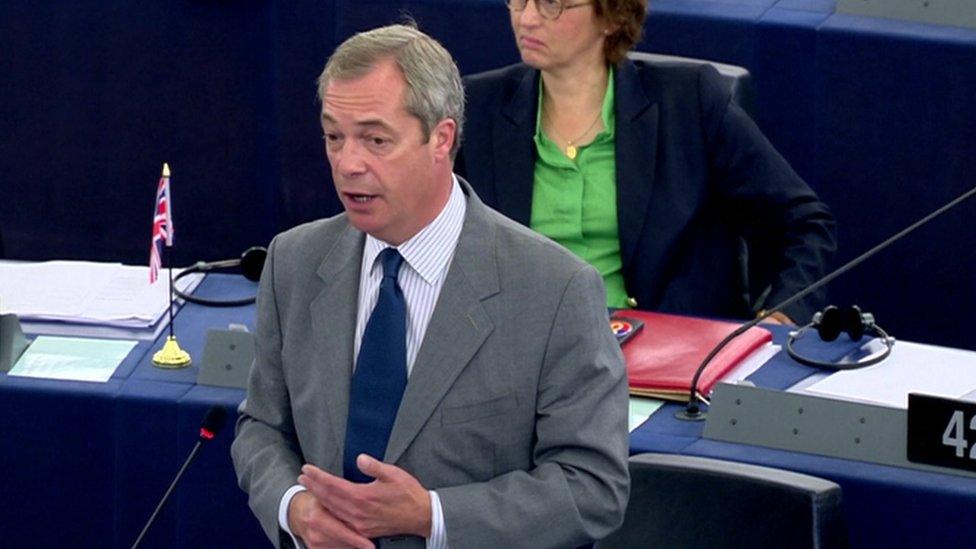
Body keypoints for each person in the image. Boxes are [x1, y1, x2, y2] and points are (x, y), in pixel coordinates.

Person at [231, 24, 629, 549]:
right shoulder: (295, 262)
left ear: (441, 139)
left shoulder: (554, 290)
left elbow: (591, 487)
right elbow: (261, 427)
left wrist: (433, 516)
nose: (348, 163)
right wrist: (295, 508)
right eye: (334, 137)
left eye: (376, 139)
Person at [458, 0, 837, 323]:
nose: (526, 18)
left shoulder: (689, 101)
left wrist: (780, 317)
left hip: (671, 361)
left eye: (552, 3)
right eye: (518, 0)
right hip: (526, 360)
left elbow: (804, 223)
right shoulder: (479, 106)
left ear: (611, 17)